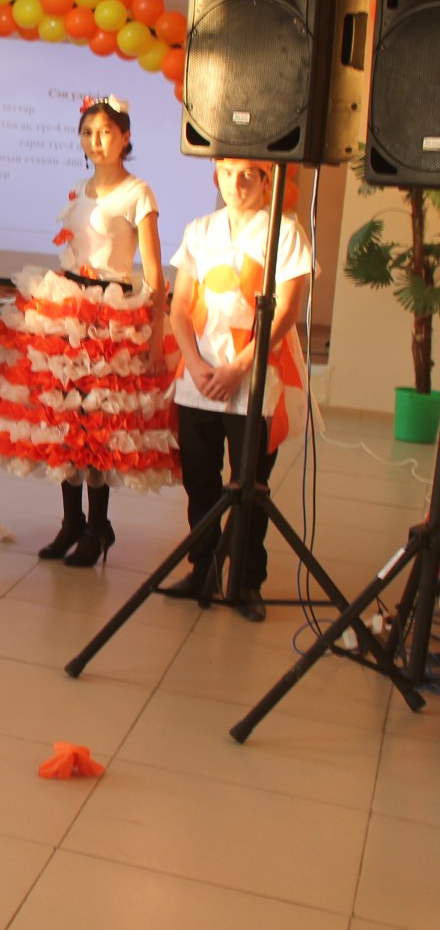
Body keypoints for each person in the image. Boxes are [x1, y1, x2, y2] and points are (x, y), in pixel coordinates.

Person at [0, 96, 177, 567]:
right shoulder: (79, 187)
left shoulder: (139, 193)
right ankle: (71, 523)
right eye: (87, 133)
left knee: (98, 425)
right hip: (69, 310)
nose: (95, 141)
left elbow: (153, 271)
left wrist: (155, 333)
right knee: (65, 421)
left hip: (111, 316)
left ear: (125, 137)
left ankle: (99, 528)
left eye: (105, 132)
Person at [160, 158, 313, 623]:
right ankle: (202, 567)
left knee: (250, 485)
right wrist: (194, 363)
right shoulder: (200, 230)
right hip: (199, 378)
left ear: (268, 181)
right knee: (200, 479)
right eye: (227, 173)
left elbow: (286, 312)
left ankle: (246, 580)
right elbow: (180, 306)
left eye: (248, 173)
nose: (236, 182)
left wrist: (239, 368)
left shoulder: (285, 233)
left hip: (253, 379)